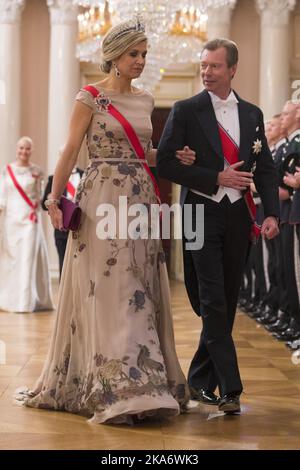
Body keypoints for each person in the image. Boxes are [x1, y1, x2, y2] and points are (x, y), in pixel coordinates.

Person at [15, 18, 193, 424]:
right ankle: (117, 386)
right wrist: (54, 198)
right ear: (113, 56)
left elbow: (144, 154)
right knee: (110, 289)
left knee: (140, 286)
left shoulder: (147, 100)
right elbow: (69, 150)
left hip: (141, 201)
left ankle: (146, 382)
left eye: (144, 54)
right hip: (101, 201)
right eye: (134, 54)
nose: (141, 61)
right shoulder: (90, 97)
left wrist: (170, 159)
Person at [157, 38, 280, 414]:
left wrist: (271, 213)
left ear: (232, 70)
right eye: (203, 65)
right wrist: (216, 177)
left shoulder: (252, 114)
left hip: (238, 215)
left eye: (214, 66)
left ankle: (199, 379)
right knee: (209, 298)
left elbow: (266, 168)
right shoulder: (186, 109)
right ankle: (231, 387)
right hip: (198, 212)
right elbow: (165, 164)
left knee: (225, 301)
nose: (206, 72)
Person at [0, 136, 53, 313]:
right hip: (11, 221)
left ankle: (24, 303)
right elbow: (2, 199)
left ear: (32, 150)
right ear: (17, 149)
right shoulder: (6, 171)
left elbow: (40, 197)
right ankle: (10, 300)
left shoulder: (38, 171)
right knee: (12, 258)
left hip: (30, 219)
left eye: (27, 148)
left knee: (27, 257)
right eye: (21, 148)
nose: (24, 151)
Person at [42, 165, 83, 280]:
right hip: (62, 228)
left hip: (82, 226)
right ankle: (63, 296)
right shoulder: (53, 179)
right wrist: (50, 200)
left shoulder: (85, 174)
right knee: (63, 265)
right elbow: (43, 205)